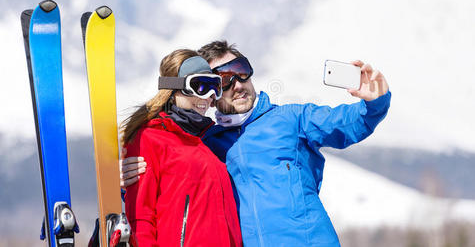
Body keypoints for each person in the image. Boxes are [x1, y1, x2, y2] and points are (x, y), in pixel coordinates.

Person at [121, 41, 391, 246]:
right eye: (224, 80)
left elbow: (346, 123)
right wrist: (126, 179)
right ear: (211, 92)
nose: (238, 84)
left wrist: (373, 103)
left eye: (242, 71)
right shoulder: (207, 145)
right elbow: (168, 191)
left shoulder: (291, 119)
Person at [120, 49, 242, 247]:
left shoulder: (210, 142)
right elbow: (141, 218)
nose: (209, 97)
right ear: (175, 87)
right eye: (201, 86)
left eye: (215, 87)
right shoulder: (149, 138)